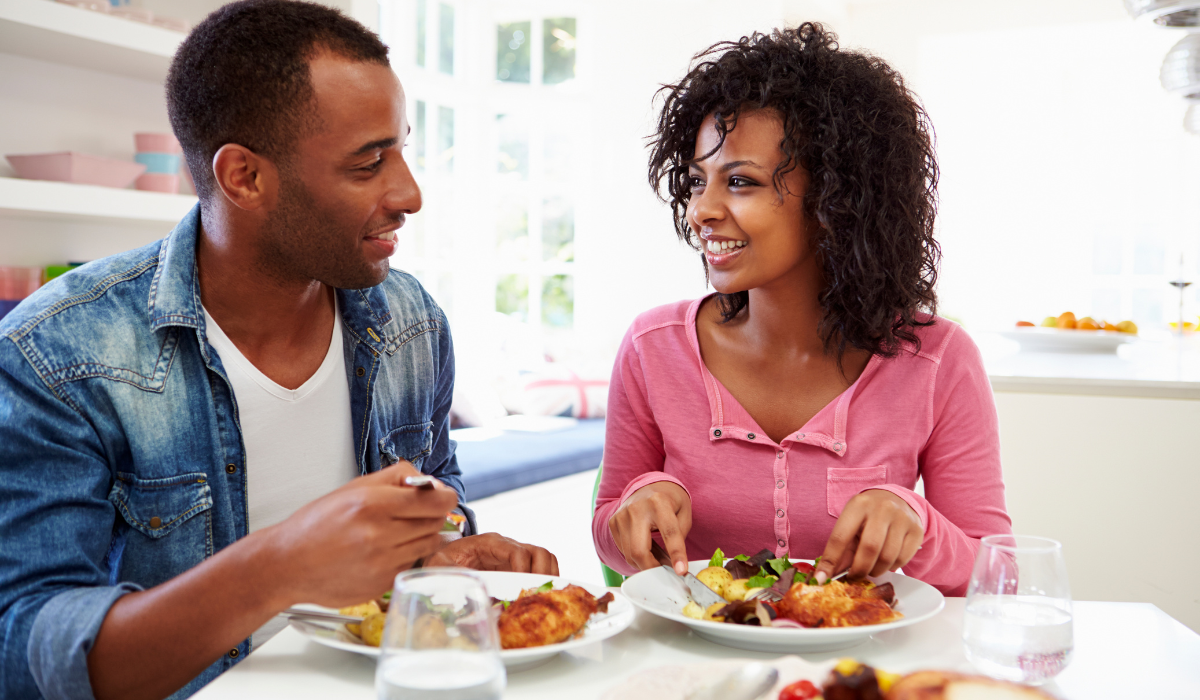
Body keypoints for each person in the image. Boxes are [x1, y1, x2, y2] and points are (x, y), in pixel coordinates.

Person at [0, 3, 556, 699]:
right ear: (244, 177)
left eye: (401, 149)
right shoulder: (60, 354)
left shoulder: (411, 321)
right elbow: (24, 654)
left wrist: (443, 553)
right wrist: (280, 564)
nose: (408, 192)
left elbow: (437, 495)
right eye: (367, 163)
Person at [592, 24, 1010, 596]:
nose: (702, 211)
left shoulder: (939, 360)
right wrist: (634, 510)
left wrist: (917, 522)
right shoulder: (652, 346)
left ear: (836, 198)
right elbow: (610, 532)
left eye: (740, 182)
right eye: (696, 182)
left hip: (862, 670)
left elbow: (995, 572)